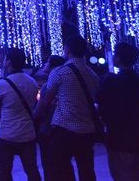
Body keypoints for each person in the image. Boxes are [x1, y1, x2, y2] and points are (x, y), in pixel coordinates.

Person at [39, 35, 99, 181]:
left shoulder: (59, 72)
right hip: (87, 128)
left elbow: (47, 100)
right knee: (86, 169)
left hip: (64, 128)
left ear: (68, 50)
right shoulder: (93, 75)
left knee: (60, 168)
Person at [96, 42, 139, 181]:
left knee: (121, 172)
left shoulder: (112, 81)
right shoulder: (136, 80)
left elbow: (101, 101)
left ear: (118, 58)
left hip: (118, 134)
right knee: (138, 172)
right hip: (136, 132)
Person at [0, 48, 41, 181]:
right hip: (28, 133)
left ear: (8, 62)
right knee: (32, 170)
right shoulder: (32, 82)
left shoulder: (2, 84)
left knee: (3, 171)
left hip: (6, 133)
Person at [33, 55, 66, 181]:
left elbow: (41, 107)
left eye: (47, 62)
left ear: (52, 67)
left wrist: (32, 117)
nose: (44, 64)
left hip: (47, 128)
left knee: (48, 162)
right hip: (61, 127)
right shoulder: (64, 83)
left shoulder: (48, 86)